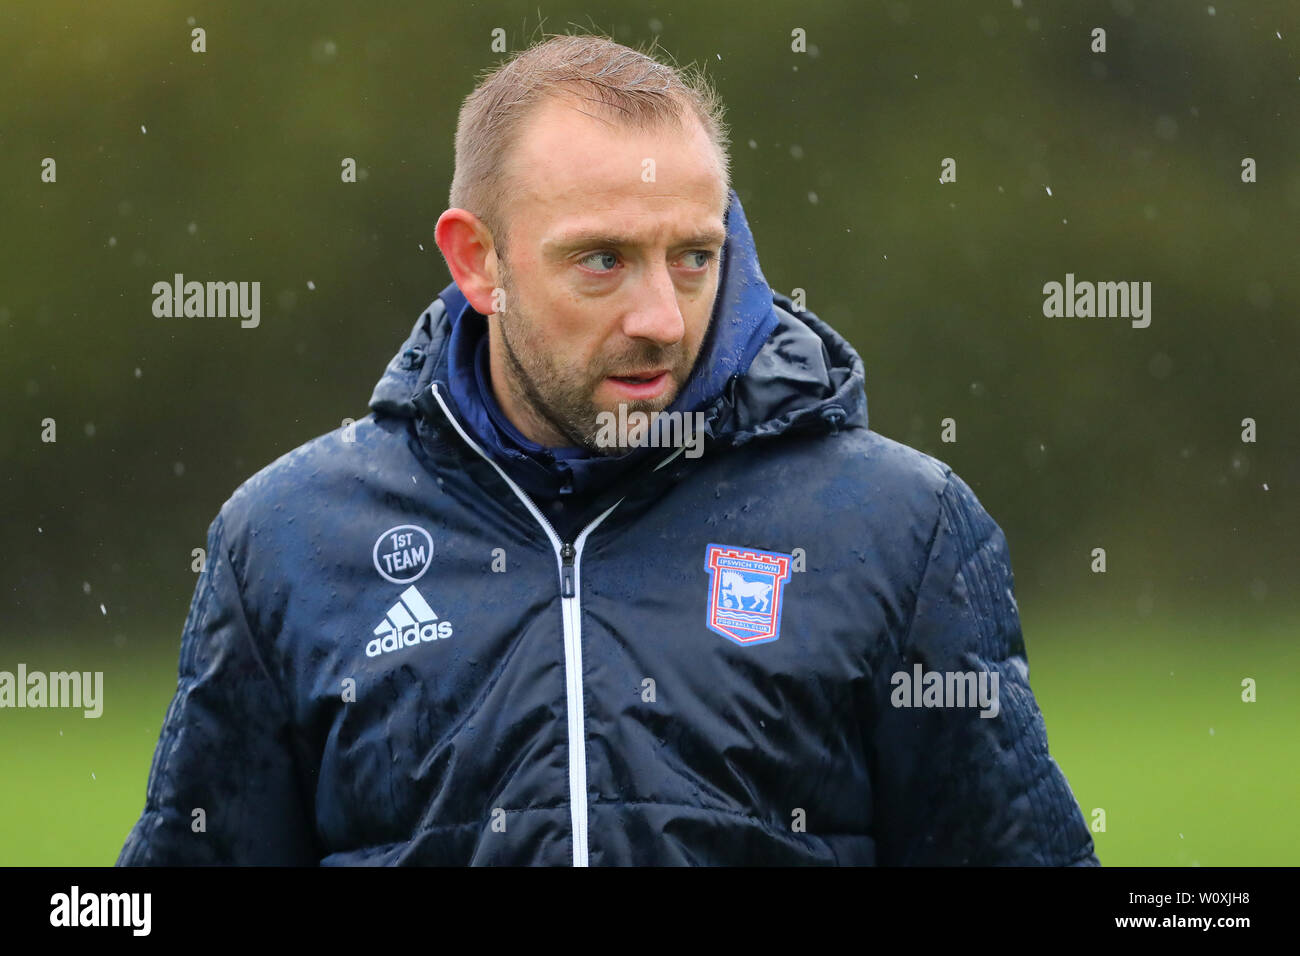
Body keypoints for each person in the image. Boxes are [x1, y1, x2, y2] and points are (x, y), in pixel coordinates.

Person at [117, 32, 1098, 866]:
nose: (662, 317)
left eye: (693, 256)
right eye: (602, 260)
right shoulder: (286, 543)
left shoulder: (898, 529)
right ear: (476, 260)